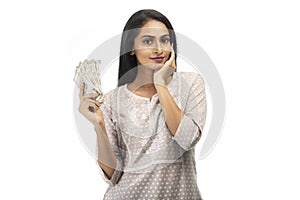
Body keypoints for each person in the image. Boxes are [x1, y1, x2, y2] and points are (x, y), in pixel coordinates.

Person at [78, 9, 207, 200]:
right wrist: (98, 125)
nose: (158, 49)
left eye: (164, 40)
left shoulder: (191, 84)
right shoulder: (113, 100)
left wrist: (161, 84)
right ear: (131, 47)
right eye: (148, 41)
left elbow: (187, 139)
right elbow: (113, 175)